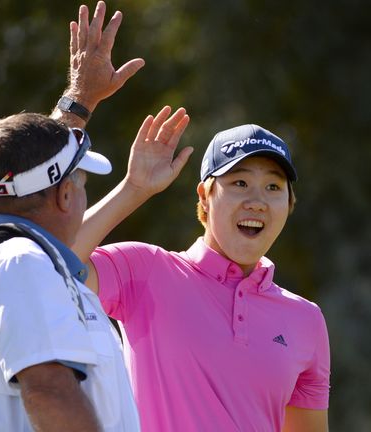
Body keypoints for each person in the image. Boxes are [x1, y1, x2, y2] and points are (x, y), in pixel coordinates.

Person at [0, 3, 154, 430]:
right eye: (81, 184)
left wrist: (79, 101)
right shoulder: (21, 265)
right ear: (65, 195)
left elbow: (21, 162)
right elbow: (49, 393)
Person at [71, 113, 331, 430]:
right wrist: (133, 189)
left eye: (273, 186)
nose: (257, 202)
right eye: (240, 183)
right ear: (205, 198)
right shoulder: (146, 269)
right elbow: (53, 260)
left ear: (289, 203)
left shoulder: (306, 320)